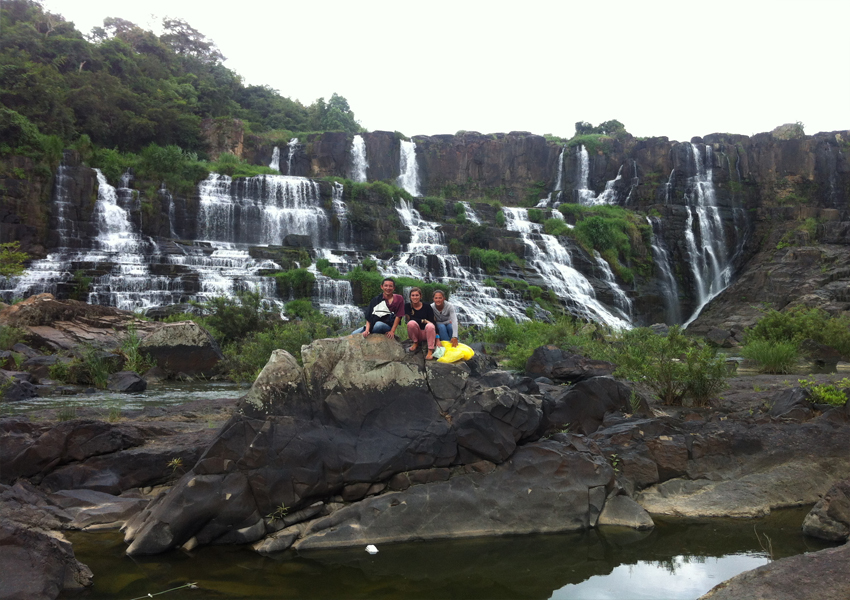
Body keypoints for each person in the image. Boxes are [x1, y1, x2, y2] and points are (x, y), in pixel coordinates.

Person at [405, 287, 436, 359]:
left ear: (420, 296)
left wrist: (437, 337)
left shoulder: (427, 306)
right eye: (413, 295)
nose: (415, 297)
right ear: (410, 297)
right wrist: (423, 320)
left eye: (417, 295)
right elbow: (409, 319)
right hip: (415, 333)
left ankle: (430, 350)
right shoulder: (407, 306)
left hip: (427, 333)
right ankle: (415, 343)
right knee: (411, 323)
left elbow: (433, 322)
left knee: (430, 325)